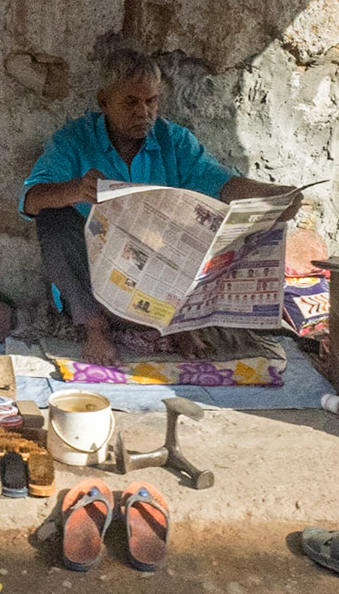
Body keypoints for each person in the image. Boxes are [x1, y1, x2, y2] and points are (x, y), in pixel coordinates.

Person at [21, 47, 298, 366]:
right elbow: (30, 199)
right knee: (53, 218)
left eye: (151, 101)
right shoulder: (75, 140)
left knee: (209, 220)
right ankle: (95, 332)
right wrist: (76, 189)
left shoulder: (173, 141)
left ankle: (180, 326)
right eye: (130, 102)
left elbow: (223, 183)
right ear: (103, 102)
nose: (143, 112)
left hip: (158, 291)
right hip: (96, 290)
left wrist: (275, 196)